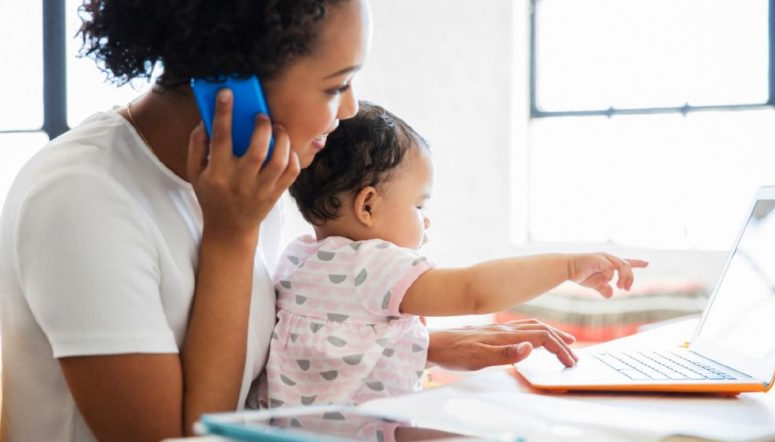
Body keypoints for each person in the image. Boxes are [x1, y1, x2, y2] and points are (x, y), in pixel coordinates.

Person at [0, 1, 617, 442]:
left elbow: (252, 355)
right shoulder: (83, 200)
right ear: (232, 78)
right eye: (336, 85)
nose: (347, 111)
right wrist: (232, 237)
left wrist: (415, 344)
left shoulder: (242, 171)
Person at [263, 102, 648, 408]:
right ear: (367, 206)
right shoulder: (372, 264)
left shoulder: (297, 260)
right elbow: (474, 291)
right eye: (418, 206)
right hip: (364, 436)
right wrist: (567, 265)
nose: (426, 223)